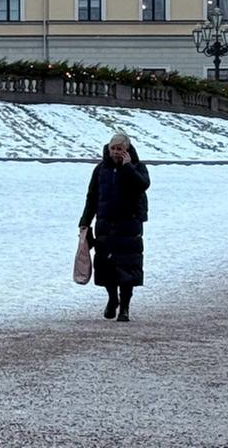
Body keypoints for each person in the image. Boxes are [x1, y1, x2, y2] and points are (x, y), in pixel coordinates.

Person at [78, 132, 149, 322]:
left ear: (127, 151)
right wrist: (85, 222)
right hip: (105, 225)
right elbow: (92, 197)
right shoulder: (101, 170)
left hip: (129, 226)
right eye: (113, 149)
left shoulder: (137, 167)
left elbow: (143, 185)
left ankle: (125, 307)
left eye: (120, 149)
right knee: (106, 267)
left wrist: (127, 168)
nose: (116, 152)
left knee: (128, 268)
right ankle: (112, 299)